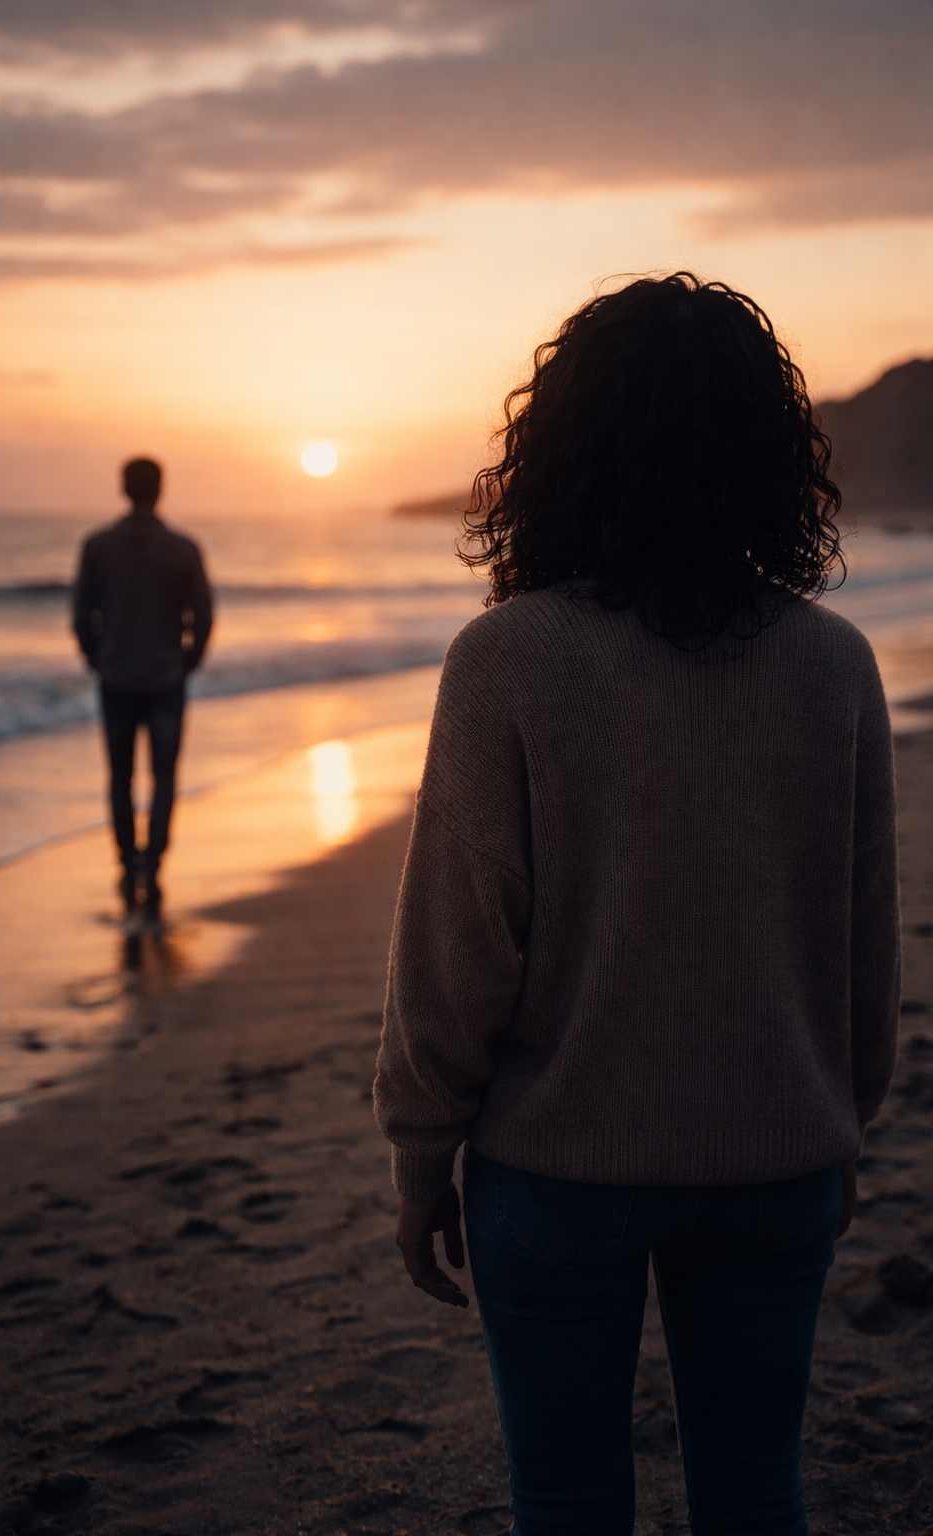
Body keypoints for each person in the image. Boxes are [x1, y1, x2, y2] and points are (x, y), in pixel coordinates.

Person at [374, 273, 900, 1536]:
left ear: (556, 447)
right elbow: (862, 943)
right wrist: (844, 1115)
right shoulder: (835, 662)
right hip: (776, 1148)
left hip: (554, 1169)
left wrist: (418, 1149)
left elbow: (459, 945)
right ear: (771, 454)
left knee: (563, 1499)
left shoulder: (507, 658)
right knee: (753, 1491)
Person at [73, 458, 212, 926]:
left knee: (119, 777)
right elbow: (204, 615)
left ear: (122, 488)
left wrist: (99, 659)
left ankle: (126, 865)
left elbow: (80, 616)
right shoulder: (182, 548)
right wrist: (185, 662)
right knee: (164, 778)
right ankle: (152, 867)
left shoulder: (97, 546)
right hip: (165, 678)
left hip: (116, 678)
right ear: (161, 489)